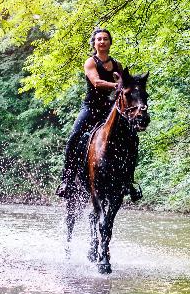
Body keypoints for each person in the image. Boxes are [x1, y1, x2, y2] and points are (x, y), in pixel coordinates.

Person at [56, 27, 142, 201]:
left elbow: (123, 83)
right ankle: (67, 180)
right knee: (74, 137)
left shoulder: (117, 65)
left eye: (105, 39)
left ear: (110, 42)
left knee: (133, 137)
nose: (102, 41)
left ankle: (129, 182)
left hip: (110, 109)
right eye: (99, 39)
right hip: (91, 108)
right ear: (94, 43)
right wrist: (116, 86)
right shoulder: (91, 62)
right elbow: (96, 82)